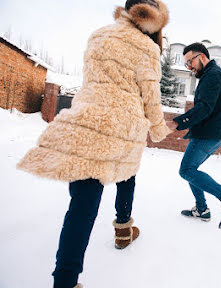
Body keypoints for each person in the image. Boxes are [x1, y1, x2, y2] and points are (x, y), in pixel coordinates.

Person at [17, 0, 170, 287]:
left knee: (83, 203)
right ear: (155, 19)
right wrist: (159, 128)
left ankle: (65, 280)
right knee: (126, 172)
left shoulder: (98, 34)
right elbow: (151, 96)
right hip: (124, 124)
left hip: (88, 118)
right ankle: (123, 229)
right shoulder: (148, 48)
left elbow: (92, 80)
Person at [166, 43, 221, 229]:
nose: (189, 67)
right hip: (211, 133)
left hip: (208, 134)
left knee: (186, 171)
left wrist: (177, 122)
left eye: (190, 62)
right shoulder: (216, 75)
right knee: (191, 170)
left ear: (201, 56)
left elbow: (204, 108)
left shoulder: (212, 76)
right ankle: (202, 209)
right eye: (186, 64)